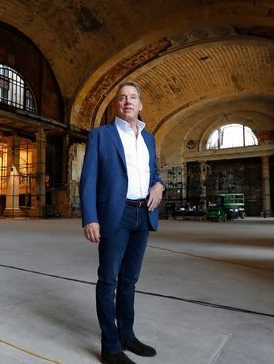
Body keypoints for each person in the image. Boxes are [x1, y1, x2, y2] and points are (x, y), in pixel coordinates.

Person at [80, 81, 165, 364]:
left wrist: (159, 186)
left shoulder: (149, 138)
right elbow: (89, 180)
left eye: (133, 97)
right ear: (117, 105)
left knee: (130, 280)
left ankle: (127, 335)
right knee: (109, 280)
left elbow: (154, 172)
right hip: (116, 215)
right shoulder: (101, 135)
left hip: (144, 214)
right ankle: (111, 346)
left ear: (140, 105)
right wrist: (90, 217)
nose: (127, 101)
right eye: (122, 98)